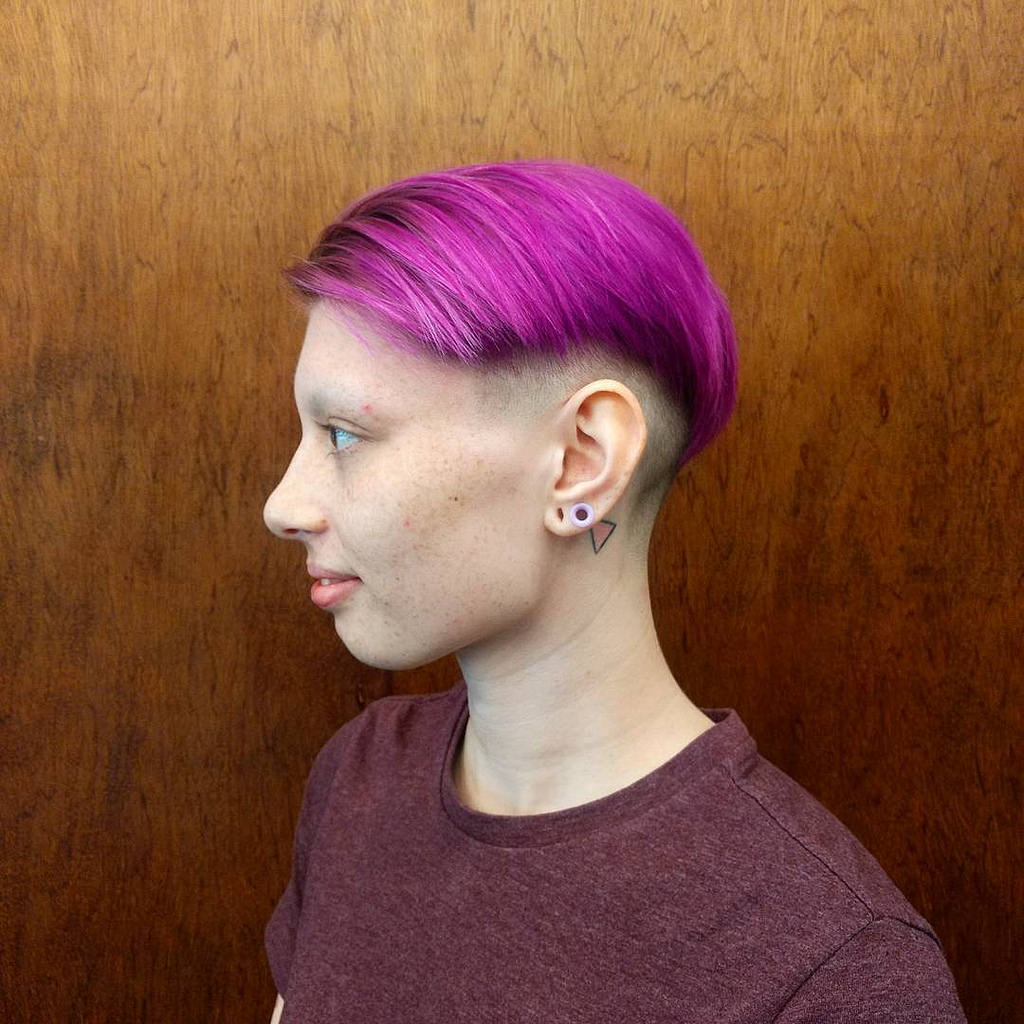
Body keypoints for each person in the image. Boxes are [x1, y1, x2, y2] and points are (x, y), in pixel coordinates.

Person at [260, 160, 967, 1023]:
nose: (282, 507)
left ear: (581, 462)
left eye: (343, 435)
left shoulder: (835, 972)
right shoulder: (364, 776)